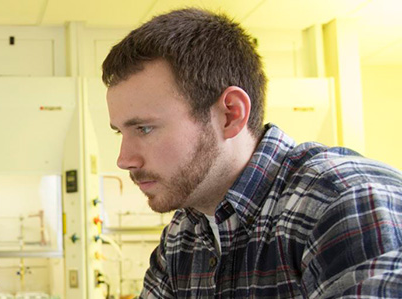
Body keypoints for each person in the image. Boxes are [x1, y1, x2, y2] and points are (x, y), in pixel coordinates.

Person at [102, 8, 402, 298]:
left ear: (230, 115)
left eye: (143, 128)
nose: (123, 159)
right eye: (119, 131)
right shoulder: (183, 235)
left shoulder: (344, 200)